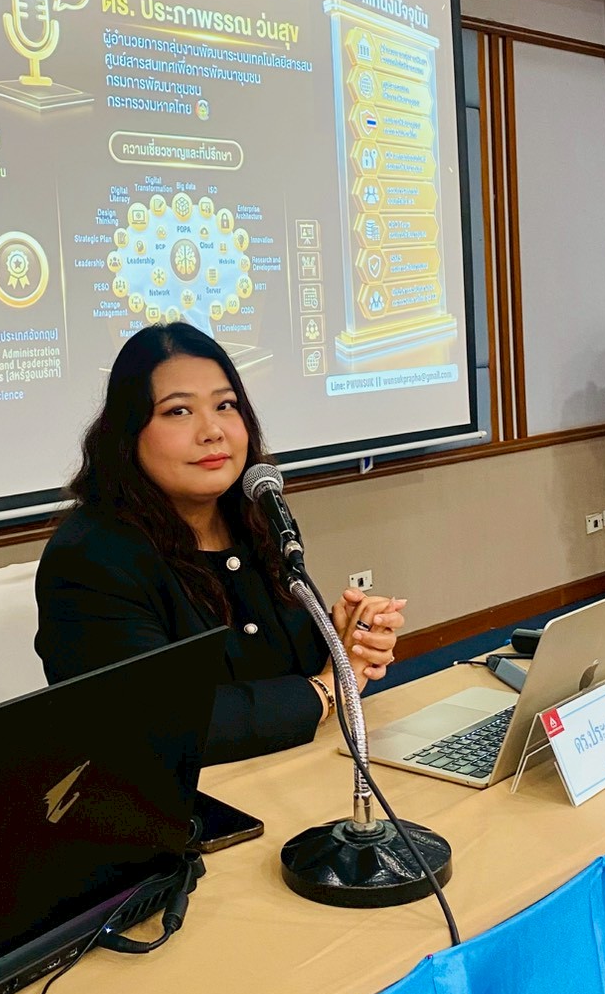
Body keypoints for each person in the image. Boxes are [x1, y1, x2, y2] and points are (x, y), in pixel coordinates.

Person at [35, 322, 406, 765]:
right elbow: (157, 722)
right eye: (178, 411)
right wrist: (329, 690)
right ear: (128, 433)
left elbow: (284, 668)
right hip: (185, 798)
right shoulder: (91, 558)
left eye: (225, 405)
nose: (212, 431)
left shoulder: (258, 517)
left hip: (290, 768)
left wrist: (344, 641)